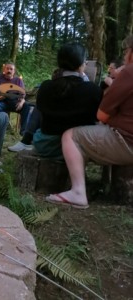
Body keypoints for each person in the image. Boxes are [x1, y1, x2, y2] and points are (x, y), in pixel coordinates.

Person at [46, 35, 133, 209]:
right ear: (81, 65)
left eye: (125, 51)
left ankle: (78, 191)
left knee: (70, 136)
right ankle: (99, 183)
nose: (124, 56)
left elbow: (101, 115)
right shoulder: (92, 89)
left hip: (127, 142)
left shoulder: (129, 72)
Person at [30, 42, 103, 160]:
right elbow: (98, 119)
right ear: (81, 63)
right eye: (85, 61)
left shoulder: (45, 86)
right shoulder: (92, 90)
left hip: (45, 146)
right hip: (79, 147)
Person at [7, 65, 91, 153]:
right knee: (39, 107)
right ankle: (26, 140)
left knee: (40, 108)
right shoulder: (60, 76)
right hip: (55, 115)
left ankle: (28, 140)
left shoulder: (82, 83)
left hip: (69, 128)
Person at [0, 62, 31, 135]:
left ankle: (24, 132)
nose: (9, 71)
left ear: (14, 71)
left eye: (11, 69)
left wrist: (21, 102)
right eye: (7, 68)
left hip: (14, 103)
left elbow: (23, 94)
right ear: (4, 69)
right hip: (1, 102)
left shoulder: (18, 80)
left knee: (26, 107)